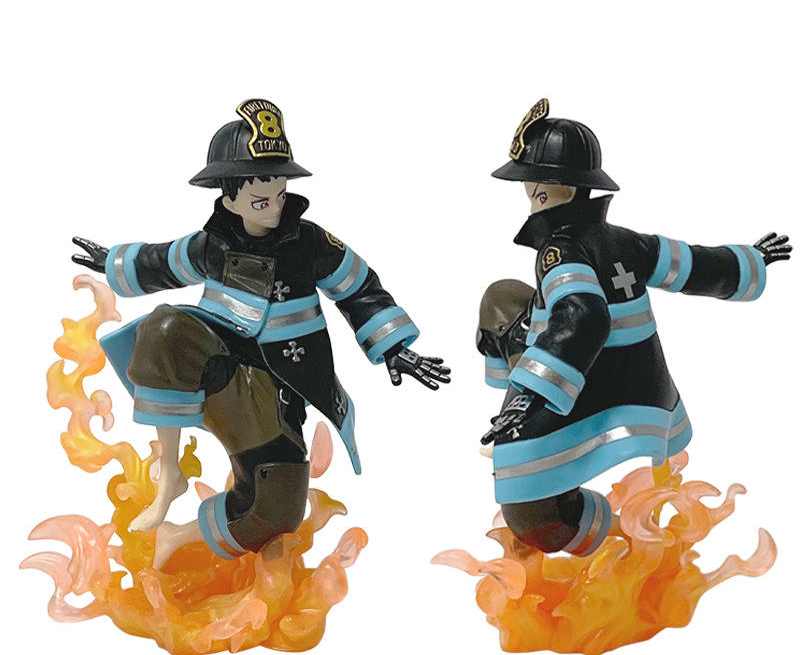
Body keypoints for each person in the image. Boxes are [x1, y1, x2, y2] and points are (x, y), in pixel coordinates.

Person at [72, 98, 450, 567]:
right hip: (220, 372)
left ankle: (178, 537)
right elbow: (162, 260)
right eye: (258, 200)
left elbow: (358, 287)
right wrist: (113, 261)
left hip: (279, 393)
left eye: (279, 193)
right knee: (164, 327)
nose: (273, 207)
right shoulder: (212, 245)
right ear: (227, 197)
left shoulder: (309, 243)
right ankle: (170, 471)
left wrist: (394, 347)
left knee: (276, 511)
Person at [478, 98, 790, 557]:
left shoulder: (560, 252)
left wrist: (531, 398)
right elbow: (691, 264)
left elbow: (585, 316)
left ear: (554, 188)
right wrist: (748, 261)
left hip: (593, 383)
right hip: (630, 376)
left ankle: (604, 540)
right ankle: (522, 390)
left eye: (536, 183)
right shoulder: (624, 240)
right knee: (501, 298)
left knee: (526, 500)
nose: (530, 191)